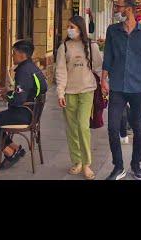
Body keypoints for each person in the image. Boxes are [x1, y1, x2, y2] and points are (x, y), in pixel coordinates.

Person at [101, 0, 141, 180]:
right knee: (112, 127)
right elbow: (107, 57)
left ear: (130, 9)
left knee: (138, 129)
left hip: (139, 87)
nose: (117, 9)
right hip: (117, 86)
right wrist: (103, 80)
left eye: (119, 6)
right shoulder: (113, 31)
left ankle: (136, 165)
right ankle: (118, 167)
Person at [0, 39, 48, 170]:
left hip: (23, 114)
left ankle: (10, 153)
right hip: (32, 112)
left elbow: (18, 100)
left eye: (13, 53)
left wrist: (6, 95)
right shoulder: (32, 67)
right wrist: (10, 91)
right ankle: (15, 148)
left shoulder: (23, 71)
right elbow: (31, 90)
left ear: (22, 54)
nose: (12, 56)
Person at [55, 16, 103, 180]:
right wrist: (60, 93)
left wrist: (104, 84)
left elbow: (98, 68)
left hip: (87, 90)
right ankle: (77, 161)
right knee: (72, 128)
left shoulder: (92, 46)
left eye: (73, 26)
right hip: (69, 92)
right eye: (68, 26)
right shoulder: (64, 47)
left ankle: (87, 163)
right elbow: (60, 71)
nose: (70, 29)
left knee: (83, 126)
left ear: (81, 28)